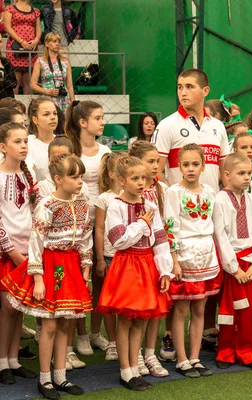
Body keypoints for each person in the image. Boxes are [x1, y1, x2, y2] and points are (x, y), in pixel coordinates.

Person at [3, 153, 92, 399]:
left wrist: (86, 265)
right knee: (50, 325)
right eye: (74, 176)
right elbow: (36, 242)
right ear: (58, 179)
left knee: (66, 324)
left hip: (71, 265)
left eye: (81, 176)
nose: (79, 181)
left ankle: (61, 376)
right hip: (51, 265)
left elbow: (85, 237)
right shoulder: (47, 205)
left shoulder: (82, 203)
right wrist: (38, 278)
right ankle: (45, 379)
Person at [96, 155, 173, 390]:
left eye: (144, 178)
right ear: (121, 180)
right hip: (126, 266)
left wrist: (164, 271)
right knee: (126, 321)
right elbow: (118, 240)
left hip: (146, 264)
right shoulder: (115, 206)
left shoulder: (150, 207)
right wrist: (141, 225)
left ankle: (134, 368)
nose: (141, 182)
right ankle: (125, 370)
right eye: (135, 178)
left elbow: (160, 240)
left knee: (140, 319)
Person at [0, 122, 37, 385]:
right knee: (7, 307)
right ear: (3, 147)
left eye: (25, 141)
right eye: (17, 141)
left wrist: (31, 250)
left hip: (28, 250)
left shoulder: (29, 173)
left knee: (19, 309)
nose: (23, 146)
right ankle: (1, 361)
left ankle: (14, 360)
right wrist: (12, 251)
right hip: (5, 253)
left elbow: (32, 212)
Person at [164, 143, 222, 378]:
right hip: (185, 254)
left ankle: (195, 357)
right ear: (178, 166)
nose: (190, 169)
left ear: (203, 166)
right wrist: (174, 261)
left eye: (195, 164)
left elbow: (217, 225)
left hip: (206, 253)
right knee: (181, 309)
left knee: (200, 308)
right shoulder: (173, 192)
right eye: (186, 164)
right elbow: (170, 227)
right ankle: (181, 358)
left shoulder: (210, 191)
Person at [65, 100, 109, 355]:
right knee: (79, 283)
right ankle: (80, 335)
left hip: (99, 222)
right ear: (83, 122)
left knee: (99, 279)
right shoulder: (71, 150)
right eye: (98, 118)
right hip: (75, 225)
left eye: (102, 118)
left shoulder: (104, 150)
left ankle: (94, 332)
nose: (103, 122)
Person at [213, 152, 252, 371]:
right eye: (240, 173)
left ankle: (249, 351)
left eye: (249, 173)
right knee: (229, 310)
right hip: (232, 263)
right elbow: (220, 235)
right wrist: (233, 269)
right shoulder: (219, 200)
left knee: (250, 311)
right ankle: (226, 351)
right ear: (227, 175)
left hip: (251, 262)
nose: (246, 178)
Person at [128, 141, 170, 377]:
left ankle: (151, 353)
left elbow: (167, 223)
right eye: (150, 161)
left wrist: (167, 258)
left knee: (157, 308)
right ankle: (135, 357)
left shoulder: (161, 188)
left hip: (158, 254)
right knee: (138, 311)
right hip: (136, 257)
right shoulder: (131, 192)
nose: (156, 166)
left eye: (157, 161)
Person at [152, 69, 229, 190]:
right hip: (179, 206)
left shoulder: (218, 126)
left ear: (205, 91)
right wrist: (172, 196)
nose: (183, 92)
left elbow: (226, 172)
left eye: (189, 87)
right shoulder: (166, 125)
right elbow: (154, 172)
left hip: (212, 204)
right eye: (180, 87)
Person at [93, 152, 125, 362]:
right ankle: (113, 342)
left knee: (125, 301)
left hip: (129, 257)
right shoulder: (104, 198)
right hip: (109, 256)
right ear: (112, 174)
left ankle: (126, 342)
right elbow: (99, 229)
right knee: (109, 302)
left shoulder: (133, 196)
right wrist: (98, 259)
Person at [3, 0, 41, 95]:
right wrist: (21, 41)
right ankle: (13, 106)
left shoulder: (35, 10)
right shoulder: (10, 9)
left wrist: (36, 40)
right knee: (15, 81)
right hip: (15, 47)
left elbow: (38, 27)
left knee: (29, 82)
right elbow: (7, 27)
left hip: (31, 47)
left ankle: (28, 106)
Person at [31, 33, 74, 113]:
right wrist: (48, 91)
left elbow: (70, 85)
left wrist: (72, 103)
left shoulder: (65, 61)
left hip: (64, 99)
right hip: (48, 98)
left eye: (58, 41)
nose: (57, 44)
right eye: (54, 41)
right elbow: (33, 85)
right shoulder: (40, 61)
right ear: (47, 44)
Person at [27, 97, 58, 181]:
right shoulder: (27, 143)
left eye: (55, 113)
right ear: (35, 119)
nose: (53, 117)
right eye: (46, 114)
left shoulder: (62, 141)